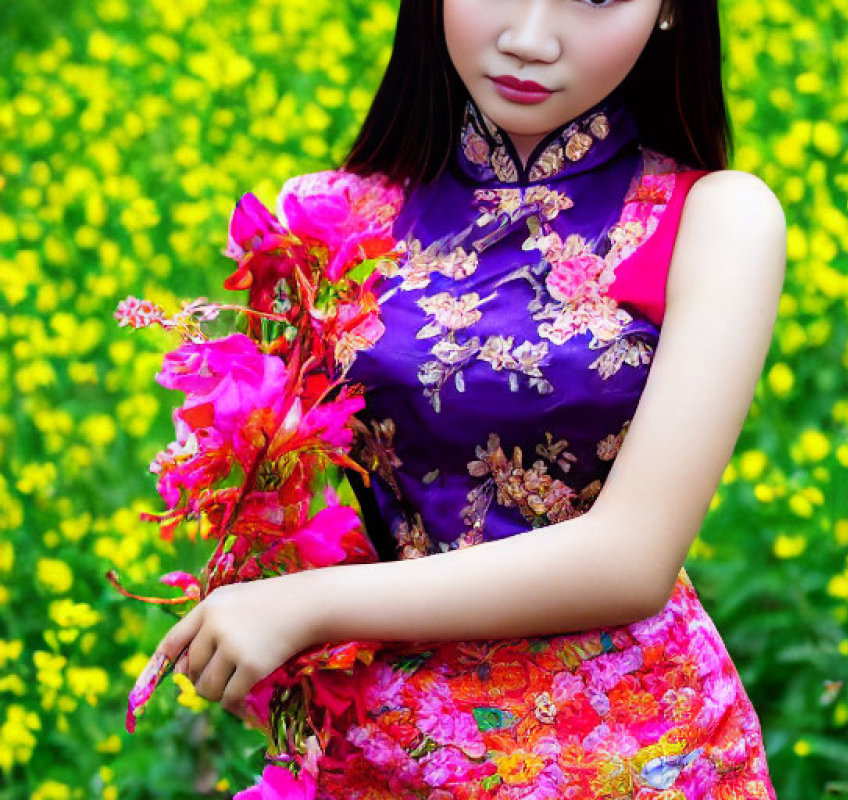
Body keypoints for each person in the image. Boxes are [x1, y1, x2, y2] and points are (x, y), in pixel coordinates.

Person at [154, 0, 787, 796]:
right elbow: (295, 489)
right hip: (375, 750)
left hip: (626, 753)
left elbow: (632, 558)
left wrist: (308, 606)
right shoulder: (333, 215)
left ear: (669, 11)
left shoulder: (714, 218)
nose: (528, 39)